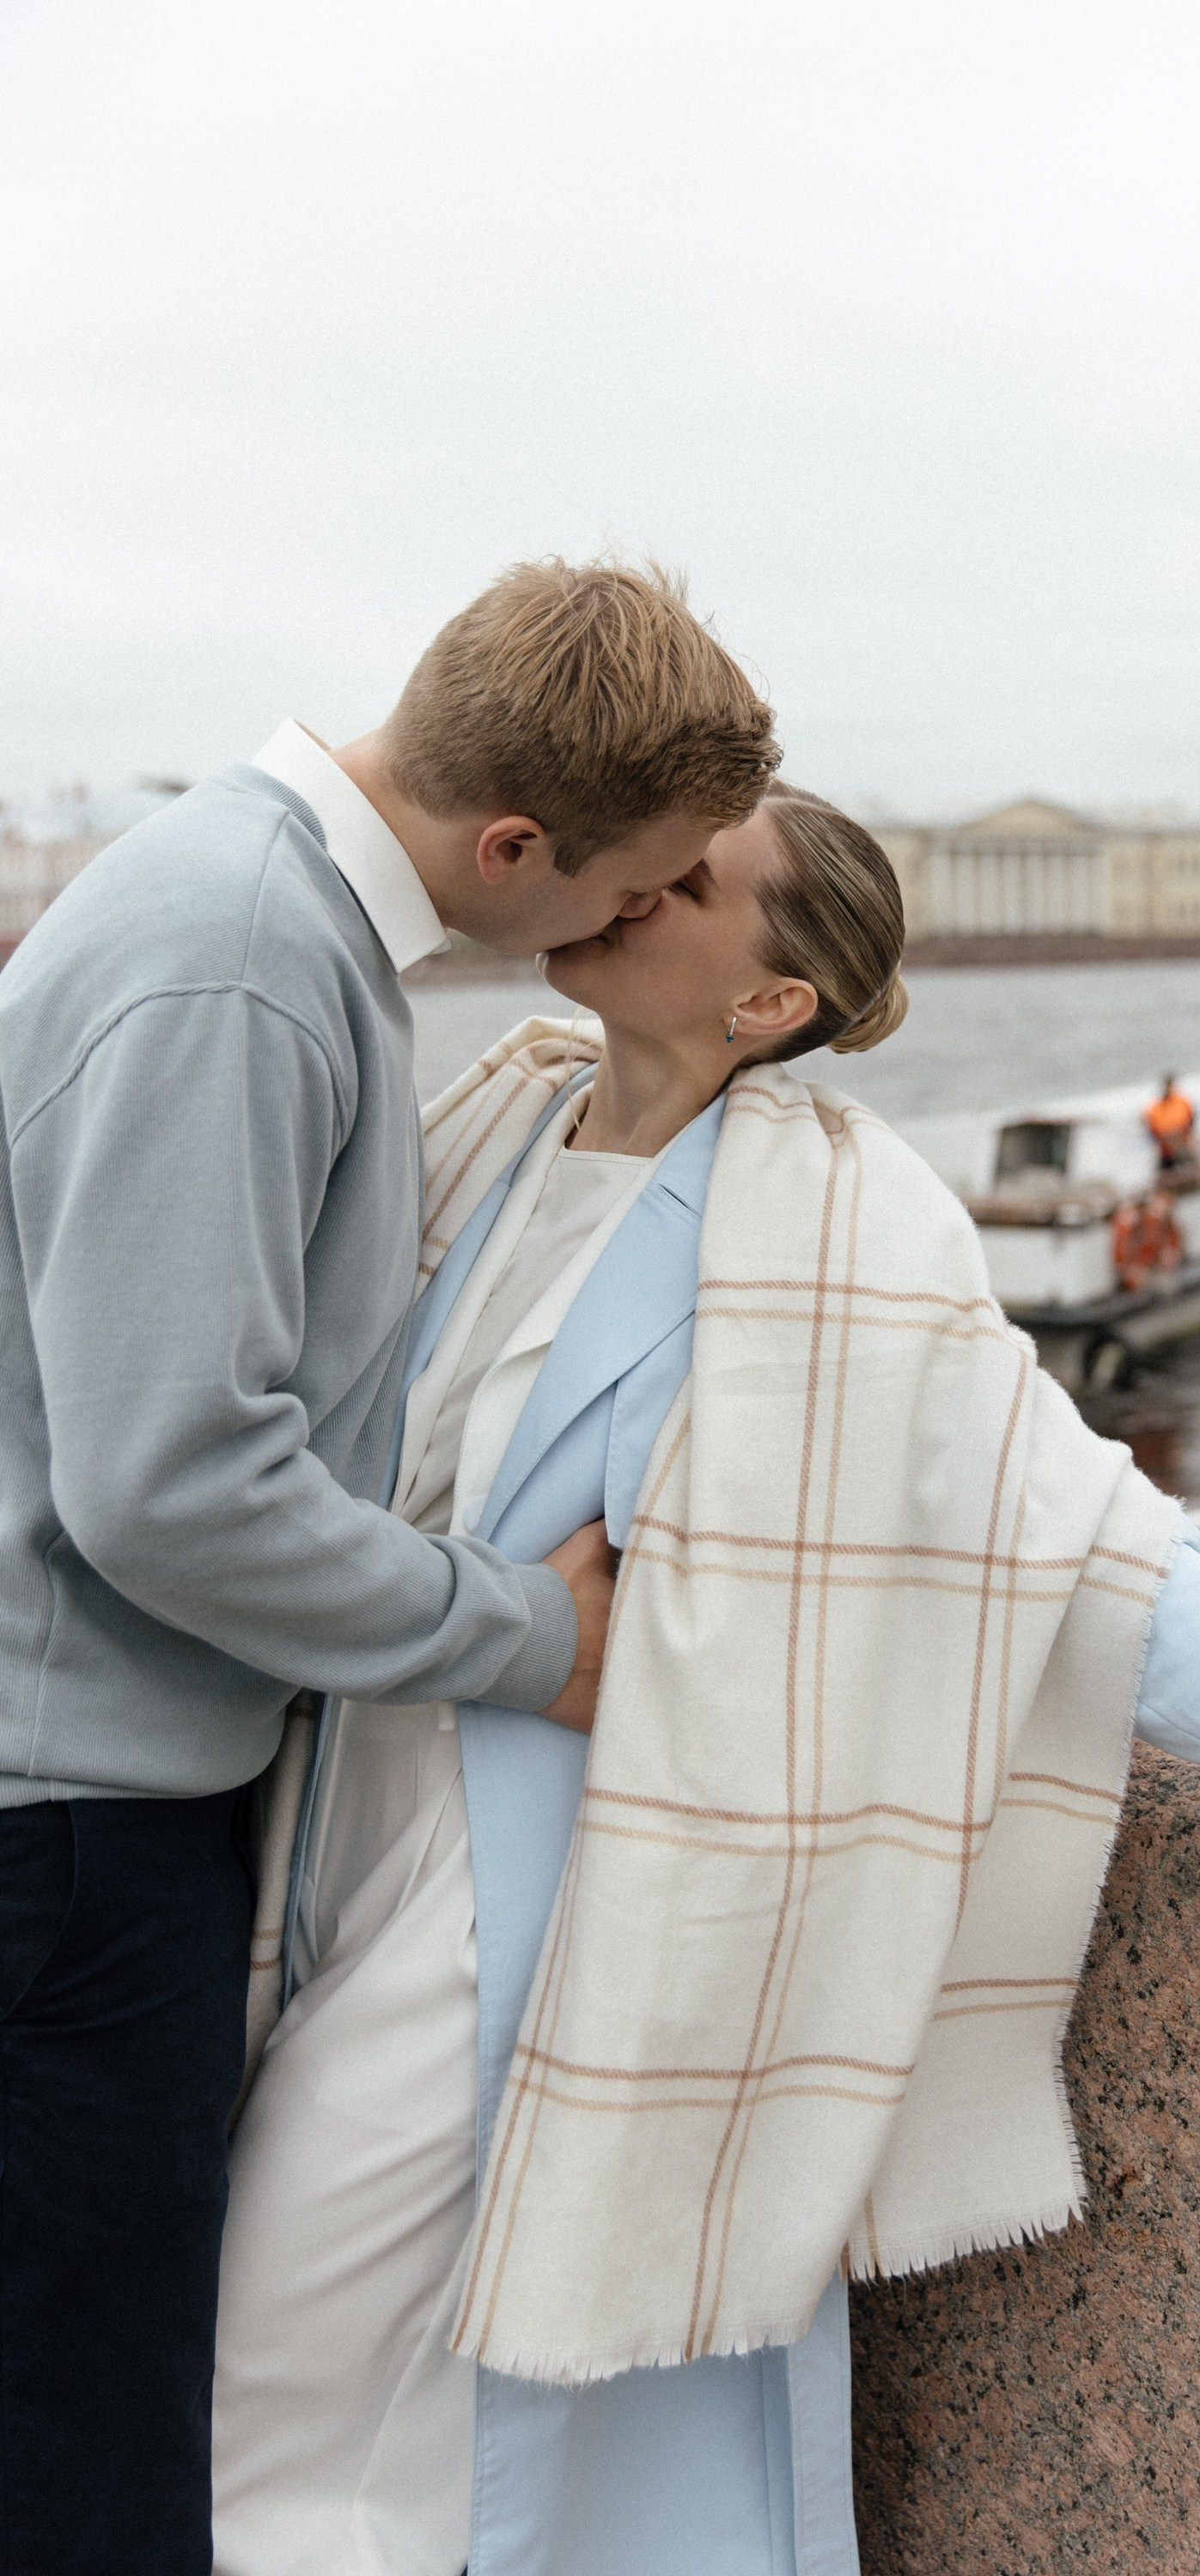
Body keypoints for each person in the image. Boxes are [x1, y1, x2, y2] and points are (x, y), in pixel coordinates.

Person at [210, 783, 1200, 2576]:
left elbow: (1099, 1554)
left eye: (690, 882)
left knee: (281, 2377)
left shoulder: (834, 1226)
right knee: (314, 2382)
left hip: (524, 1893)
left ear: (772, 1003)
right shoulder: (495, 1118)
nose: (632, 881)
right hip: (341, 1819)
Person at [0, 559, 779, 2574]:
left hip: (78, 1807)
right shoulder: (249, 966)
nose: (621, 922)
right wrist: (536, 1635)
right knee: (90, 2462)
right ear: (511, 843)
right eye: (626, 882)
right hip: (71, 1841)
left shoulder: (235, 904)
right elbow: (169, 1486)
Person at [1144, 1070, 1197, 1172]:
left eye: (1170, 1086)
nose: (1168, 1089)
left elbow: (1191, 1120)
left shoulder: (1182, 1101)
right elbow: (1151, 1128)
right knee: (1167, 1168)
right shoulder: (1154, 1106)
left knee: (1188, 1163)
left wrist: (1182, 1133)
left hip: (1182, 1143)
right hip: (1165, 1149)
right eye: (1166, 1086)